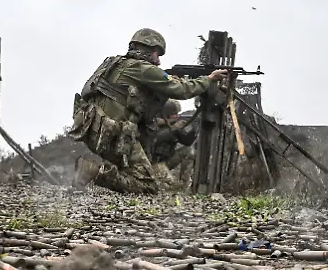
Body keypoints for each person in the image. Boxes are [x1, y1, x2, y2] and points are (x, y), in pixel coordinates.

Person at [68, 28, 228, 193]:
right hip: (112, 134)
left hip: (91, 129)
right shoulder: (143, 69)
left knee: (135, 169)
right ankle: (93, 171)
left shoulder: (113, 63)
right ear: (147, 50)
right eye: (156, 54)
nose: (158, 61)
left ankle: (94, 173)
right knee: (148, 186)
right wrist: (209, 79)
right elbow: (181, 90)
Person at [149, 100, 197, 185]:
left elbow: (187, 142)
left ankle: (184, 182)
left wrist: (192, 131)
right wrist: (173, 128)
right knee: (171, 186)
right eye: (174, 114)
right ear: (166, 114)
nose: (177, 116)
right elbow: (155, 140)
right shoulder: (152, 122)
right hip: (153, 164)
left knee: (189, 151)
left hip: (167, 161)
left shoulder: (173, 125)